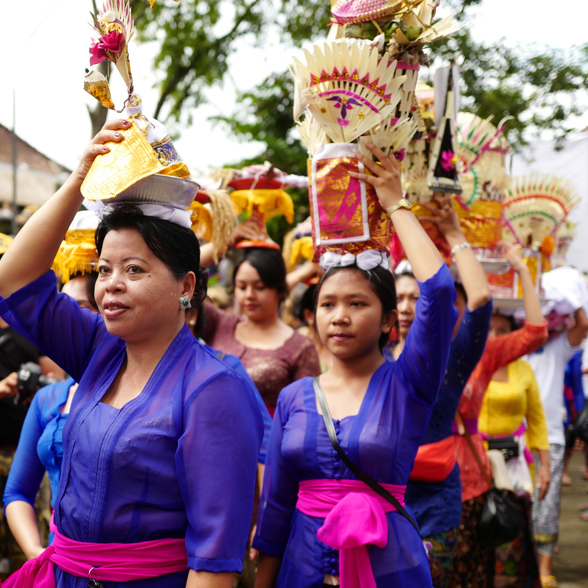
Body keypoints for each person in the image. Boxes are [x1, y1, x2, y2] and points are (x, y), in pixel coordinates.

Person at [0, 119, 264, 588]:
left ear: (185, 285)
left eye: (134, 268)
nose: (112, 283)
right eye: (104, 269)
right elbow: (14, 280)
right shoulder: (96, 348)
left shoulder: (214, 386)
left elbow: (215, 557)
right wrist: (79, 180)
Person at [253, 142, 458, 587]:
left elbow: (439, 293)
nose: (339, 315)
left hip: (390, 570)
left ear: (388, 319)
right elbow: (276, 511)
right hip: (301, 571)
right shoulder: (293, 397)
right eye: (327, 304)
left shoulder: (409, 385)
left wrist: (395, 204)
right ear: (313, 315)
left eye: (356, 303)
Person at [401, 194, 493, 587]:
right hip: (382, 498)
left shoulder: (449, 360)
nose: (408, 307)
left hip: (437, 504)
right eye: (399, 297)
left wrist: (455, 234)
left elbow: (481, 302)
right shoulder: (365, 358)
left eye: (416, 297)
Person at [447, 243, 548, 588]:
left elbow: (536, 332)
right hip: (410, 479)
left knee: (473, 570)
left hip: (471, 478)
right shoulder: (401, 349)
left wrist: (521, 269)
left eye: (453, 301)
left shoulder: (482, 352)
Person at [4, 273, 99, 560]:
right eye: (60, 308)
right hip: (60, 564)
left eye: (78, 308)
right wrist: (37, 554)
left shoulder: (152, 390)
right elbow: (18, 491)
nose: (64, 320)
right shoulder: (49, 399)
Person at [197, 245, 321, 416]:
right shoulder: (219, 323)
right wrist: (225, 239)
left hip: (268, 440)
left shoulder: (301, 347)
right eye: (241, 287)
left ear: (280, 288)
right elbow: (181, 276)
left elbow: (307, 415)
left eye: (260, 287)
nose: (249, 295)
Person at [479, 312, 551, 587]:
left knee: (512, 535)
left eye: (503, 330)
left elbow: (537, 419)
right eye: (489, 328)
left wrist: (545, 466)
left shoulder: (523, 369)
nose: (495, 337)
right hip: (475, 462)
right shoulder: (468, 363)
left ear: (515, 334)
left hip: (515, 466)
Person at [526, 305, 588, 587]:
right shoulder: (513, 345)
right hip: (516, 440)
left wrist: (571, 298)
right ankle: (523, 564)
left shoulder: (556, 346)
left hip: (550, 438)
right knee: (520, 506)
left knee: (547, 505)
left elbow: (583, 325)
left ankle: (544, 568)